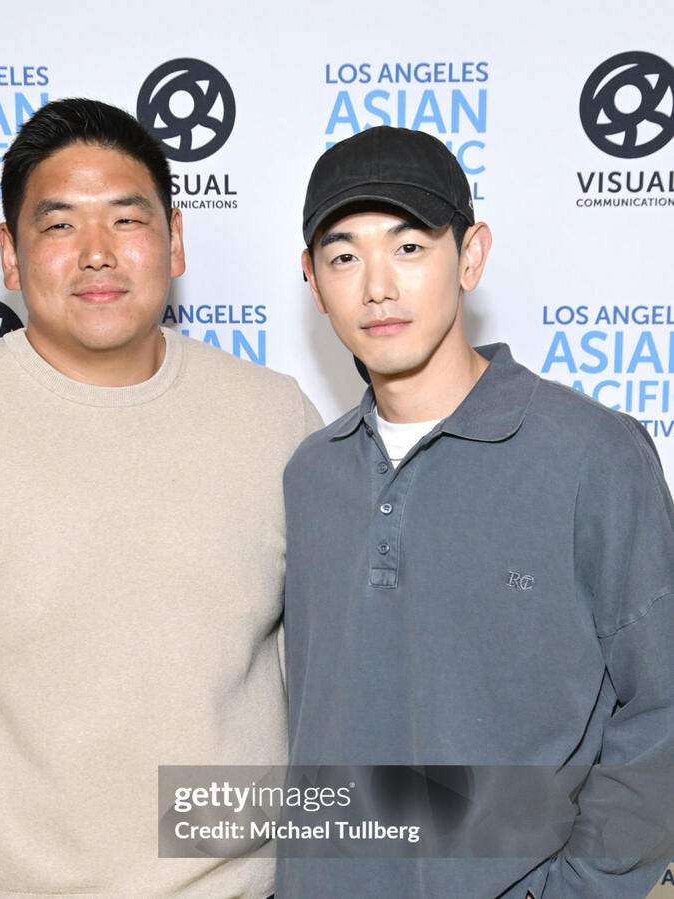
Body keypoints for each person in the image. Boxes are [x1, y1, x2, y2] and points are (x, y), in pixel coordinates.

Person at [0, 98, 321, 899]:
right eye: (59, 225)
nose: (97, 254)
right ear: (11, 255)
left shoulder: (274, 415)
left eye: (126, 220)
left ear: (175, 238)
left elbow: (334, 664)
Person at [277, 126, 674, 898]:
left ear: (470, 255)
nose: (376, 287)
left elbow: (661, 707)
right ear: (313, 280)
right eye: (343, 256)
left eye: (409, 247)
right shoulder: (308, 473)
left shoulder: (594, 454)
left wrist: (580, 886)